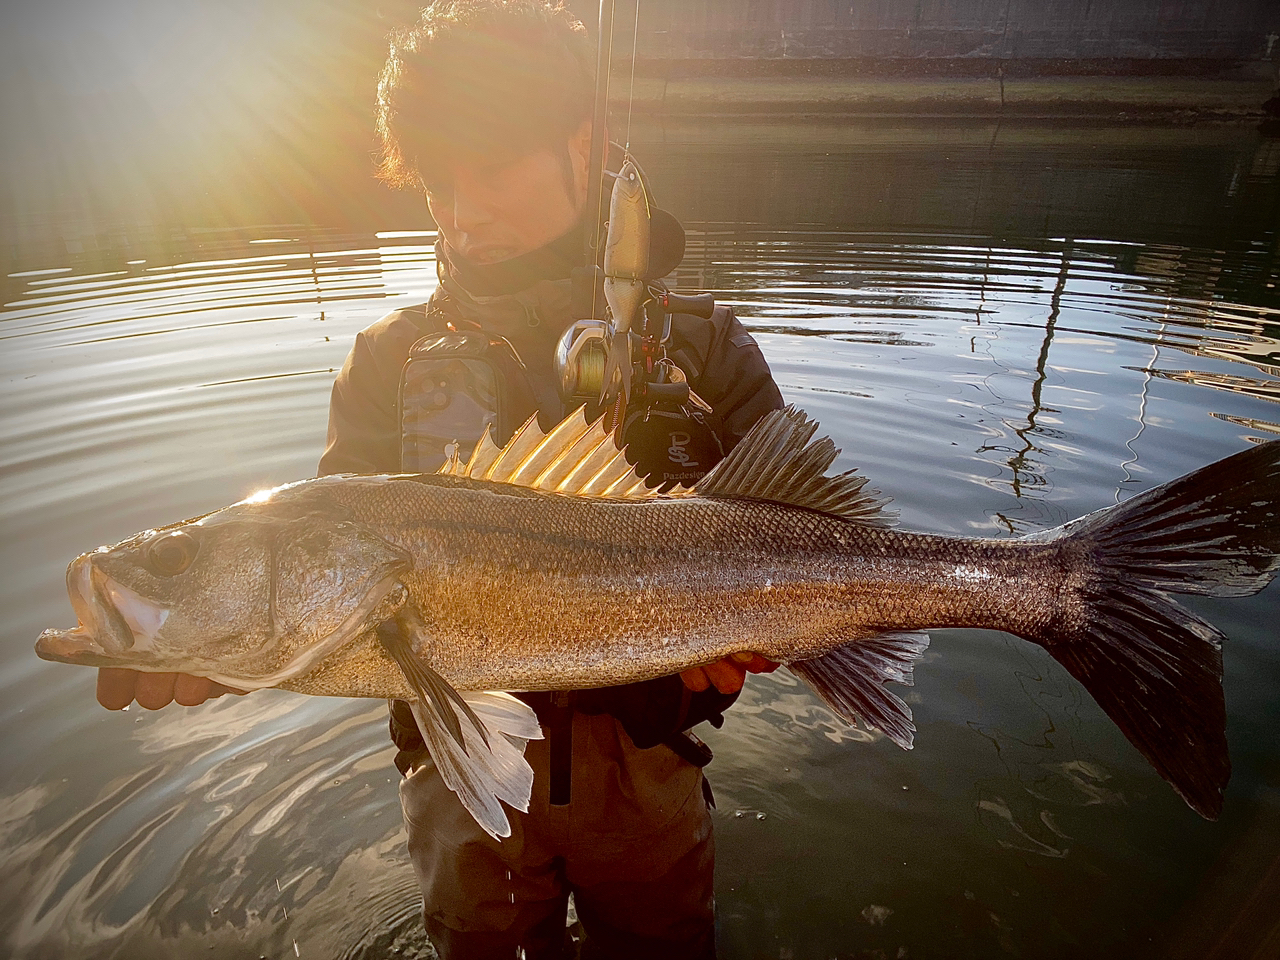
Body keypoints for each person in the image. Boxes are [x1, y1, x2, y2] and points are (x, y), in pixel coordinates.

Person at [98, 2, 783, 956]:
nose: (462, 213)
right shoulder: (385, 364)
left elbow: (804, 539)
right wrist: (218, 639)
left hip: (648, 772)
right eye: (435, 181)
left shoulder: (705, 348)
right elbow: (325, 582)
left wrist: (745, 656)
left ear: (583, 144)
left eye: (493, 169)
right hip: (457, 797)